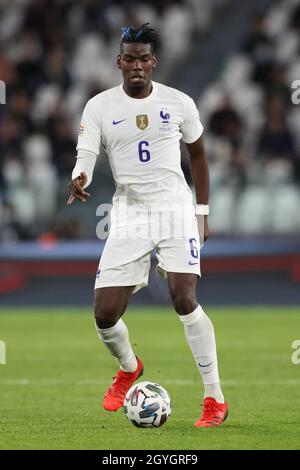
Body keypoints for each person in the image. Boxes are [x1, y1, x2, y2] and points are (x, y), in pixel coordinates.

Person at [67, 23, 228, 427]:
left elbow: (200, 156)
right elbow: (86, 153)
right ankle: (128, 367)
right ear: (119, 62)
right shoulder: (99, 106)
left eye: (143, 59)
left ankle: (214, 399)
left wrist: (202, 211)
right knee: (104, 314)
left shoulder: (178, 103)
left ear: (153, 62)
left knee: (183, 297)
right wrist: (80, 175)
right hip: (129, 212)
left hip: (174, 207)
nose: (136, 65)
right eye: (129, 58)